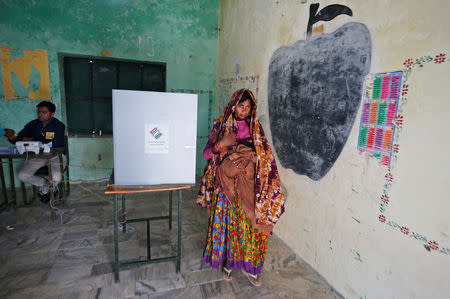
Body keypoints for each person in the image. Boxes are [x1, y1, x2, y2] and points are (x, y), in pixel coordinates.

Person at [197, 89, 285, 287]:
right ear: (233, 105)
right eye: (241, 106)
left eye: (248, 107)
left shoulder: (256, 128)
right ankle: (229, 263)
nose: (244, 111)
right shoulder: (221, 126)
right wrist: (221, 145)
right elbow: (206, 154)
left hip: (249, 185)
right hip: (226, 187)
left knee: (252, 226)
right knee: (229, 225)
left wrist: (253, 157)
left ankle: (250, 267)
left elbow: (265, 158)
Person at [6, 101, 66, 203]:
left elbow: (57, 145)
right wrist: (12, 138)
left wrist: (35, 142)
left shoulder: (59, 126)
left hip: (56, 156)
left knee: (56, 177)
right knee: (22, 175)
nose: (40, 114)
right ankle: (45, 185)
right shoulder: (33, 124)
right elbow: (20, 137)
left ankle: (47, 189)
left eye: (44, 112)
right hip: (38, 156)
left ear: (52, 114)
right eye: (39, 112)